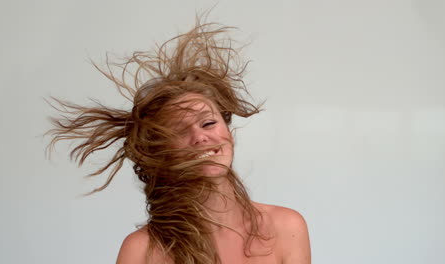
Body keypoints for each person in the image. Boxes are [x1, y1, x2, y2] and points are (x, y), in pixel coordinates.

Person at [47, 19, 311, 264]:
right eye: (179, 132)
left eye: (208, 123)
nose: (200, 137)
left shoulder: (286, 228)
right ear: (161, 151)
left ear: (228, 131)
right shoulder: (141, 250)